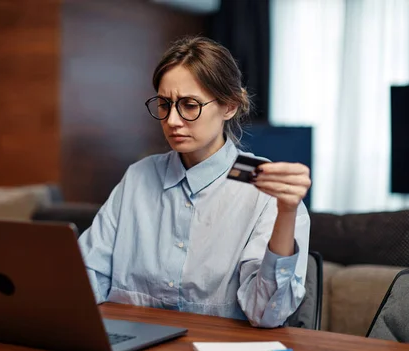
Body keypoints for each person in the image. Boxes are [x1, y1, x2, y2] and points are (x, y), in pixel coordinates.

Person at [78, 36, 311, 328]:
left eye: (189, 105)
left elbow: (266, 313)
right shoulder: (138, 177)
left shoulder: (265, 189)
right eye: (164, 104)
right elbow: (84, 280)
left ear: (229, 106)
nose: (173, 120)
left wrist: (287, 212)